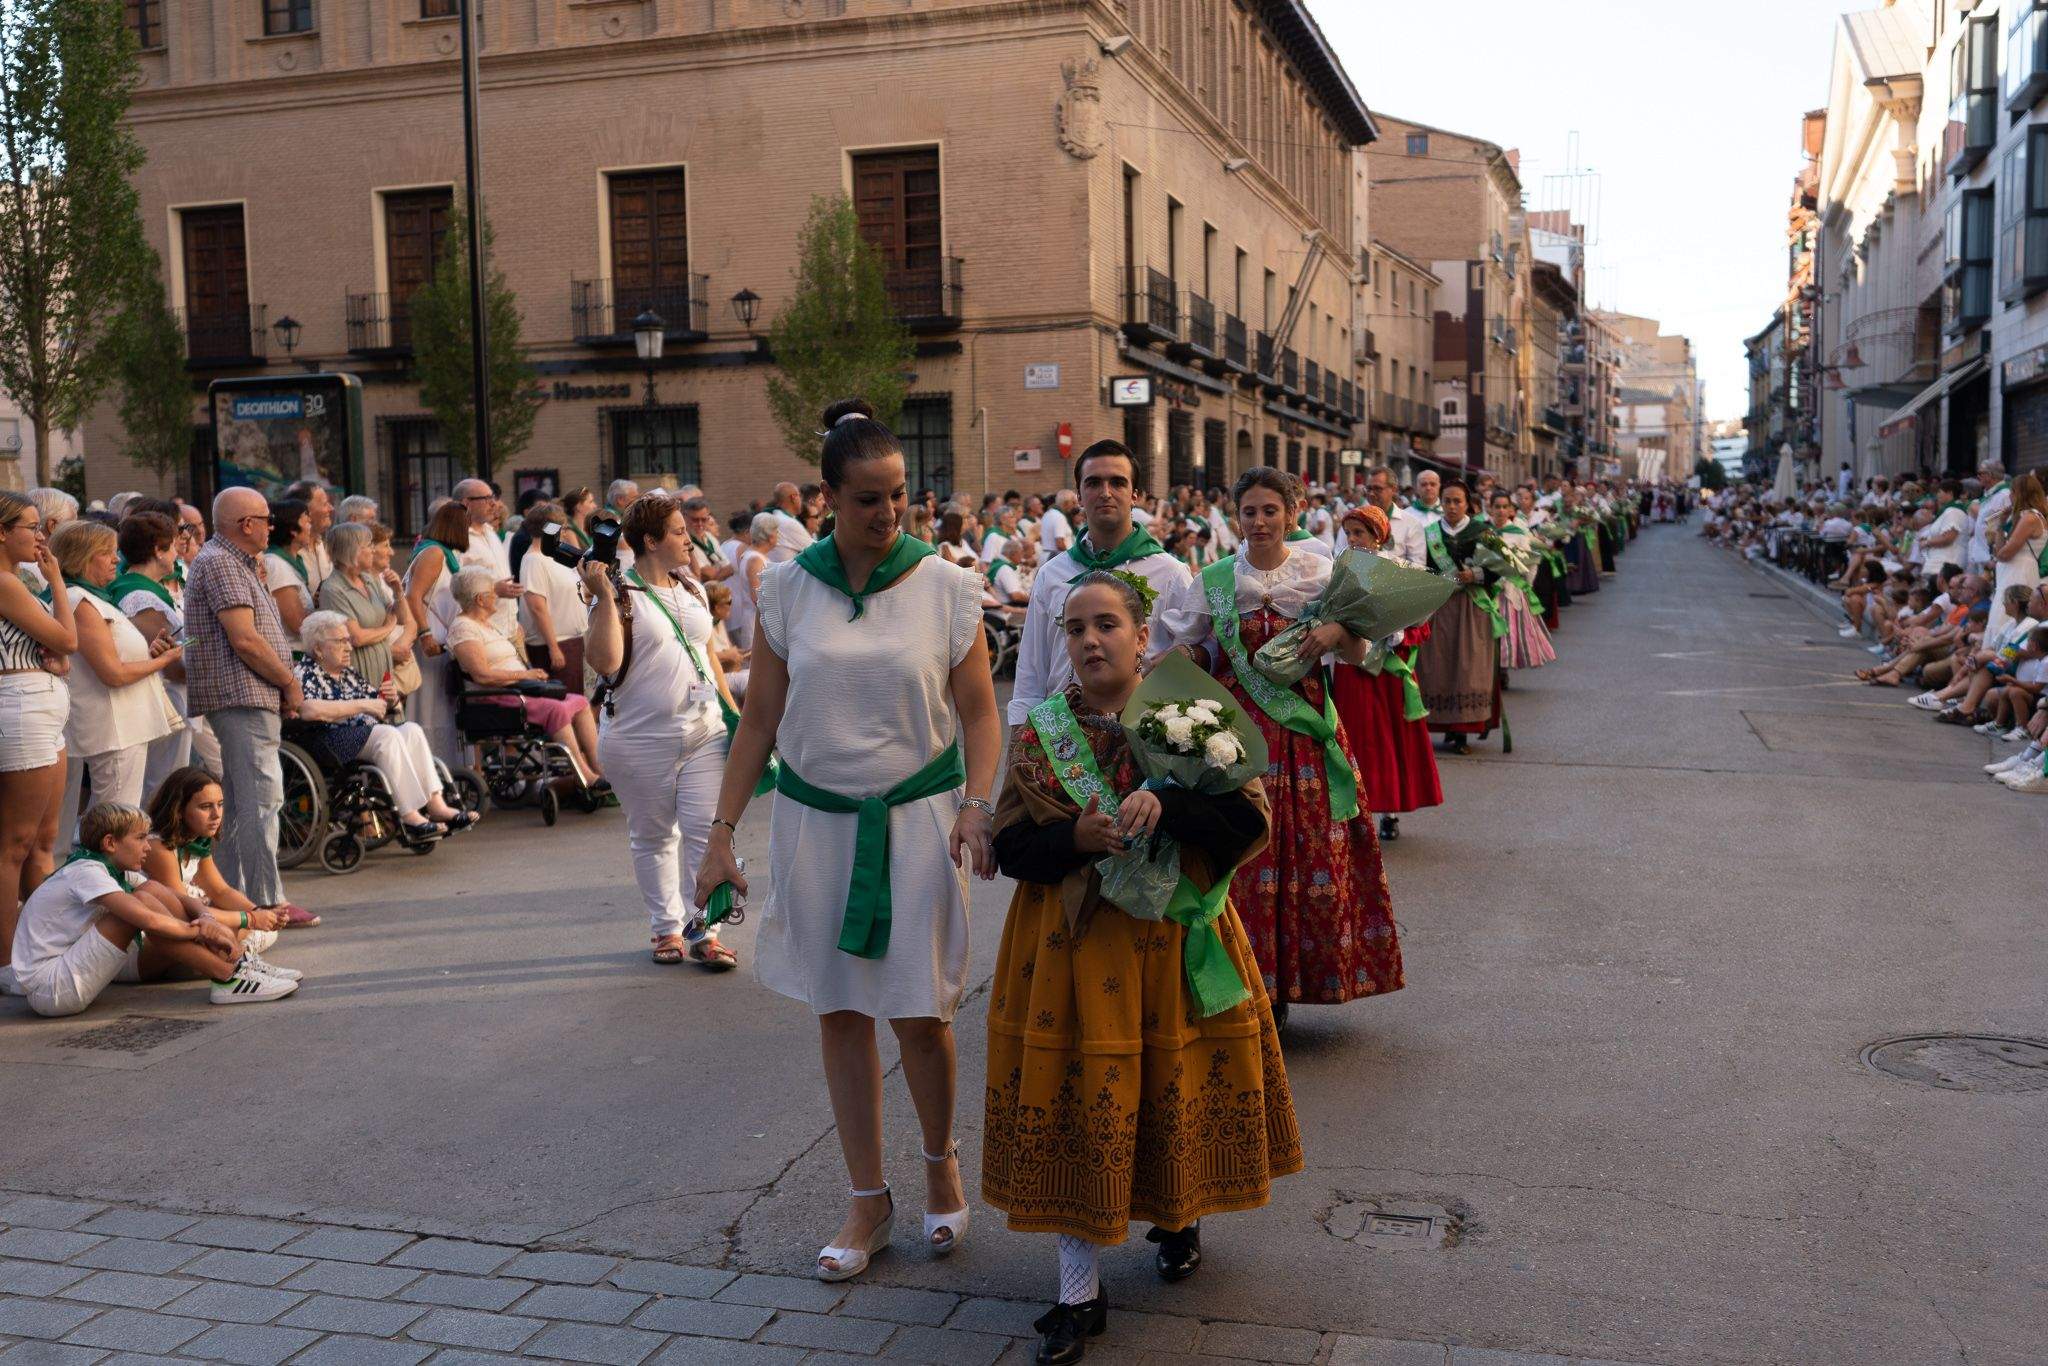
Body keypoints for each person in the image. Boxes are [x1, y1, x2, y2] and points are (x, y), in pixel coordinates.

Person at [694, 398, 1001, 1283]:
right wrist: (720, 834)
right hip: (817, 824)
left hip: (918, 824)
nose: (889, 512)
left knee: (922, 1012)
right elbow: (758, 723)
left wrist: (979, 803)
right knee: (840, 1011)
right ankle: (868, 1196)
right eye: (869, 498)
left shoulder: (945, 585)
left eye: (899, 494)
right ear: (827, 498)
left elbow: (980, 713)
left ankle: (939, 1160)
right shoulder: (788, 586)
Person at [984, 572, 1301, 1363]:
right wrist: (1077, 842)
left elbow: (1244, 823)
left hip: (1172, 944)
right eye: (1074, 628)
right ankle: (1075, 1294)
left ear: (1139, 634)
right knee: (1077, 1101)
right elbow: (1012, 847)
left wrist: (1171, 799)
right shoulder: (1041, 732)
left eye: (1106, 625)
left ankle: (1177, 1216)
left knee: (1166, 1085)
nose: (1090, 640)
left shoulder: (1186, 713)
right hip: (1072, 954)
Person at [1156, 467, 1403, 1027]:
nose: (1260, 521)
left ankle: (1291, 984)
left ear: (1293, 513)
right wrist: (1184, 664)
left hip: (1304, 740)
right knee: (1240, 858)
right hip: (1234, 742)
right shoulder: (1216, 579)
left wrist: (1340, 633)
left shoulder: (1323, 575)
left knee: (1304, 855)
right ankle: (1246, 982)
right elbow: (1195, 648)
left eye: (1271, 510)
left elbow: (1371, 654)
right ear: (1237, 516)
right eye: (1250, 512)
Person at [581, 493, 738, 969]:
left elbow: (707, 654)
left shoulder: (690, 586)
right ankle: (665, 929)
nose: (689, 539)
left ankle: (705, 932)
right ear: (650, 541)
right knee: (652, 836)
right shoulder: (620, 591)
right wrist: (604, 596)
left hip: (703, 732)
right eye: (678, 532)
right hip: (638, 738)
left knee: (704, 832)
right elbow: (604, 662)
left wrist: (734, 715)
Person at [7, 802, 293, 1016]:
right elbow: (146, 919)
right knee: (139, 905)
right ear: (110, 843)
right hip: (51, 987)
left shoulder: (106, 866)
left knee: (151, 890)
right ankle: (226, 975)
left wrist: (206, 917)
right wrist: (200, 931)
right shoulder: (85, 872)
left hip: (68, 970)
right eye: (140, 838)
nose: (148, 846)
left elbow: (173, 896)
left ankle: (235, 964)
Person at [185, 486, 315, 927]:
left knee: (241, 804)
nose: (270, 528)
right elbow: (244, 638)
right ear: (246, 525)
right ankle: (266, 901)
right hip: (240, 695)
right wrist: (288, 681)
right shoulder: (222, 562)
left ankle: (237, 899)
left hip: (246, 695)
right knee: (261, 799)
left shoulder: (232, 562)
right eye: (266, 520)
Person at [1009, 441, 1190, 724]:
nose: (1105, 493)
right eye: (1093, 483)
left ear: (1136, 495)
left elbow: (1187, 663)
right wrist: (1020, 731)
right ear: (1079, 495)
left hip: (1143, 732)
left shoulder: (1171, 574)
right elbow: (1032, 667)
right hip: (1065, 737)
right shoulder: (1052, 573)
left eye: (1118, 483)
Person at [49, 519, 182, 854]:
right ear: (81, 558)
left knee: (118, 815)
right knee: (114, 821)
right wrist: (162, 663)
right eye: (105, 553)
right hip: (113, 727)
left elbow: (117, 656)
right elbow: (112, 672)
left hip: (122, 723)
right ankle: (106, 890)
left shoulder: (93, 597)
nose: (115, 559)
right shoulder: (80, 600)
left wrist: (149, 654)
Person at [296, 611, 474, 841]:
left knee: (412, 730)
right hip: (330, 741)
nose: (349, 647)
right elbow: (308, 710)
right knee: (386, 735)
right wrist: (361, 705)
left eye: (349, 640)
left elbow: (379, 705)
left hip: (365, 735)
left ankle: (436, 805)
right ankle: (410, 816)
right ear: (319, 649)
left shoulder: (348, 673)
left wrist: (391, 699)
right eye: (341, 641)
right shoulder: (305, 673)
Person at [1328, 505, 1442, 843]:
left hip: (1387, 667)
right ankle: (1356, 809)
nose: (1352, 539)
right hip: (1353, 665)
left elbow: (1422, 618)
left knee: (1388, 739)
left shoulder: (1400, 570)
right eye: (1348, 533)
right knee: (1355, 738)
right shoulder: (1340, 570)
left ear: (1378, 537)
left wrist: (1398, 633)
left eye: (1359, 533)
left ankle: (1388, 810)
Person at [0, 491, 78, 973]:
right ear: (3, 532)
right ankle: (7, 959)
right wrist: (58, 582)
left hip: (43, 704)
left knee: (46, 837)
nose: (40, 536)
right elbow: (68, 638)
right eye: (30, 526)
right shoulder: (8, 583)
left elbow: (62, 651)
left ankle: (41, 945)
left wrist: (61, 655)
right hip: (21, 706)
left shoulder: (16, 581)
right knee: (15, 841)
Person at [447, 566, 604, 789]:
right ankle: (585, 775)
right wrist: (525, 674)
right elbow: (482, 675)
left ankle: (600, 768)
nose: (496, 596)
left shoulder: (488, 625)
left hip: (518, 691)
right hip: (495, 697)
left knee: (578, 702)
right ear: (480, 599)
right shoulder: (463, 628)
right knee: (557, 709)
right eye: (493, 592)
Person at [141, 766, 295, 983]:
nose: (216, 815)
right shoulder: (159, 846)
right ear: (179, 810)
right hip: (149, 942)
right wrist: (249, 919)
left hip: (188, 926)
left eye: (220, 805)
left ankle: (236, 956)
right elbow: (182, 911)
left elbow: (220, 890)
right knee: (225, 929)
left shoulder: (195, 838)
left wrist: (260, 913)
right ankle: (236, 963)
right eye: (205, 807)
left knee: (264, 931)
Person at [107, 512, 200, 794]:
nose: (176, 553)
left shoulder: (151, 589)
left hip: (172, 696)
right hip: (165, 699)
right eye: (172, 546)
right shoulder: (139, 596)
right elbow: (166, 664)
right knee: (162, 784)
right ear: (158, 551)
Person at [1415, 482, 1503, 755]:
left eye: (1458, 501)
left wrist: (1475, 575)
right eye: (1447, 501)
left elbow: (1499, 567)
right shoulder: (1430, 533)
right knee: (1438, 665)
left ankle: (1463, 730)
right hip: (1440, 607)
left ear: (1468, 504)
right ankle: (1442, 723)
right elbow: (1423, 567)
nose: (1452, 507)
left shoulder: (1482, 531)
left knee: (1469, 666)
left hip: (1471, 608)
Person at [316, 521, 414, 701]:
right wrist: (387, 627)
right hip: (358, 671)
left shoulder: (369, 580)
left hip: (383, 669)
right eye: (368, 546)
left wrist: (398, 592)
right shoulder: (333, 589)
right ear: (352, 550)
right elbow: (356, 638)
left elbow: (401, 618)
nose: (373, 551)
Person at [515, 501, 590, 697]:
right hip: (556, 644)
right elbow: (537, 607)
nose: (565, 532)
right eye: (562, 527)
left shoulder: (553, 556)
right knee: (565, 703)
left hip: (572, 641)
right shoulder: (533, 559)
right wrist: (553, 647)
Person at [1488, 490, 1557, 672]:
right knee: (1488, 629)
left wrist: (1527, 584)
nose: (1501, 511)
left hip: (1510, 587)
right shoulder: (1484, 531)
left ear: (1511, 510)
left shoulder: (1518, 533)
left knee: (1507, 629)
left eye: (1505, 507)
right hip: (1488, 587)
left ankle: (1502, 668)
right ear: (1490, 509)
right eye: (1497, 507)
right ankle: (1490, 666)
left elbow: (1531, 562)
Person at [1985, 473, 2047, 644]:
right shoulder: (2029, 516)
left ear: (2021, 494)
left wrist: (2001, 533)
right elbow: (2000, 552)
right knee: (2003, 615)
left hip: (2019, 572)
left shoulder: (2030, 518)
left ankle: (1997, 657)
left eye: (2012, 492)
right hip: (2014, 571)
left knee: (2005, 616)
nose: (2010, 496)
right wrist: (2000, 525)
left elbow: (2003, 554)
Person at [263, 498, 317, 640]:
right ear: (293, 530)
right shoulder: (276, 565)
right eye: (307, 522)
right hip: (294, 656)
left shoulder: (293, 562)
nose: (311, 526)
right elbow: (299, 624)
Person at [728, 513, 775, 650]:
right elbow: (757, 596)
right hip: (756, 623)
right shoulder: (755, 559)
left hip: (757, 620)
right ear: (770, 536)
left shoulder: (755, 556)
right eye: (777, 531)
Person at [281, 480, 335, 594]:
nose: (331, 509)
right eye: (325, 504)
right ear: (303, 511)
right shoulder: (286, 555)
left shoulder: (323, 545)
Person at [682, 497, 735, 584]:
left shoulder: (710, 537)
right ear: (684, 517)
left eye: (704, 519)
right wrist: (722, 571)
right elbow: (707, 574)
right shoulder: (684, 542)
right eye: (695, 520)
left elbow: (729, 568)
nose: (700, 524)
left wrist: (716, 573)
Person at [766, 481, 815, 562]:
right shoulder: (787, 522)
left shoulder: (777, 517)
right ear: (793, 498)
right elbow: (815, 549)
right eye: (799, 496)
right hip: (785, 573)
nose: (801, 500)